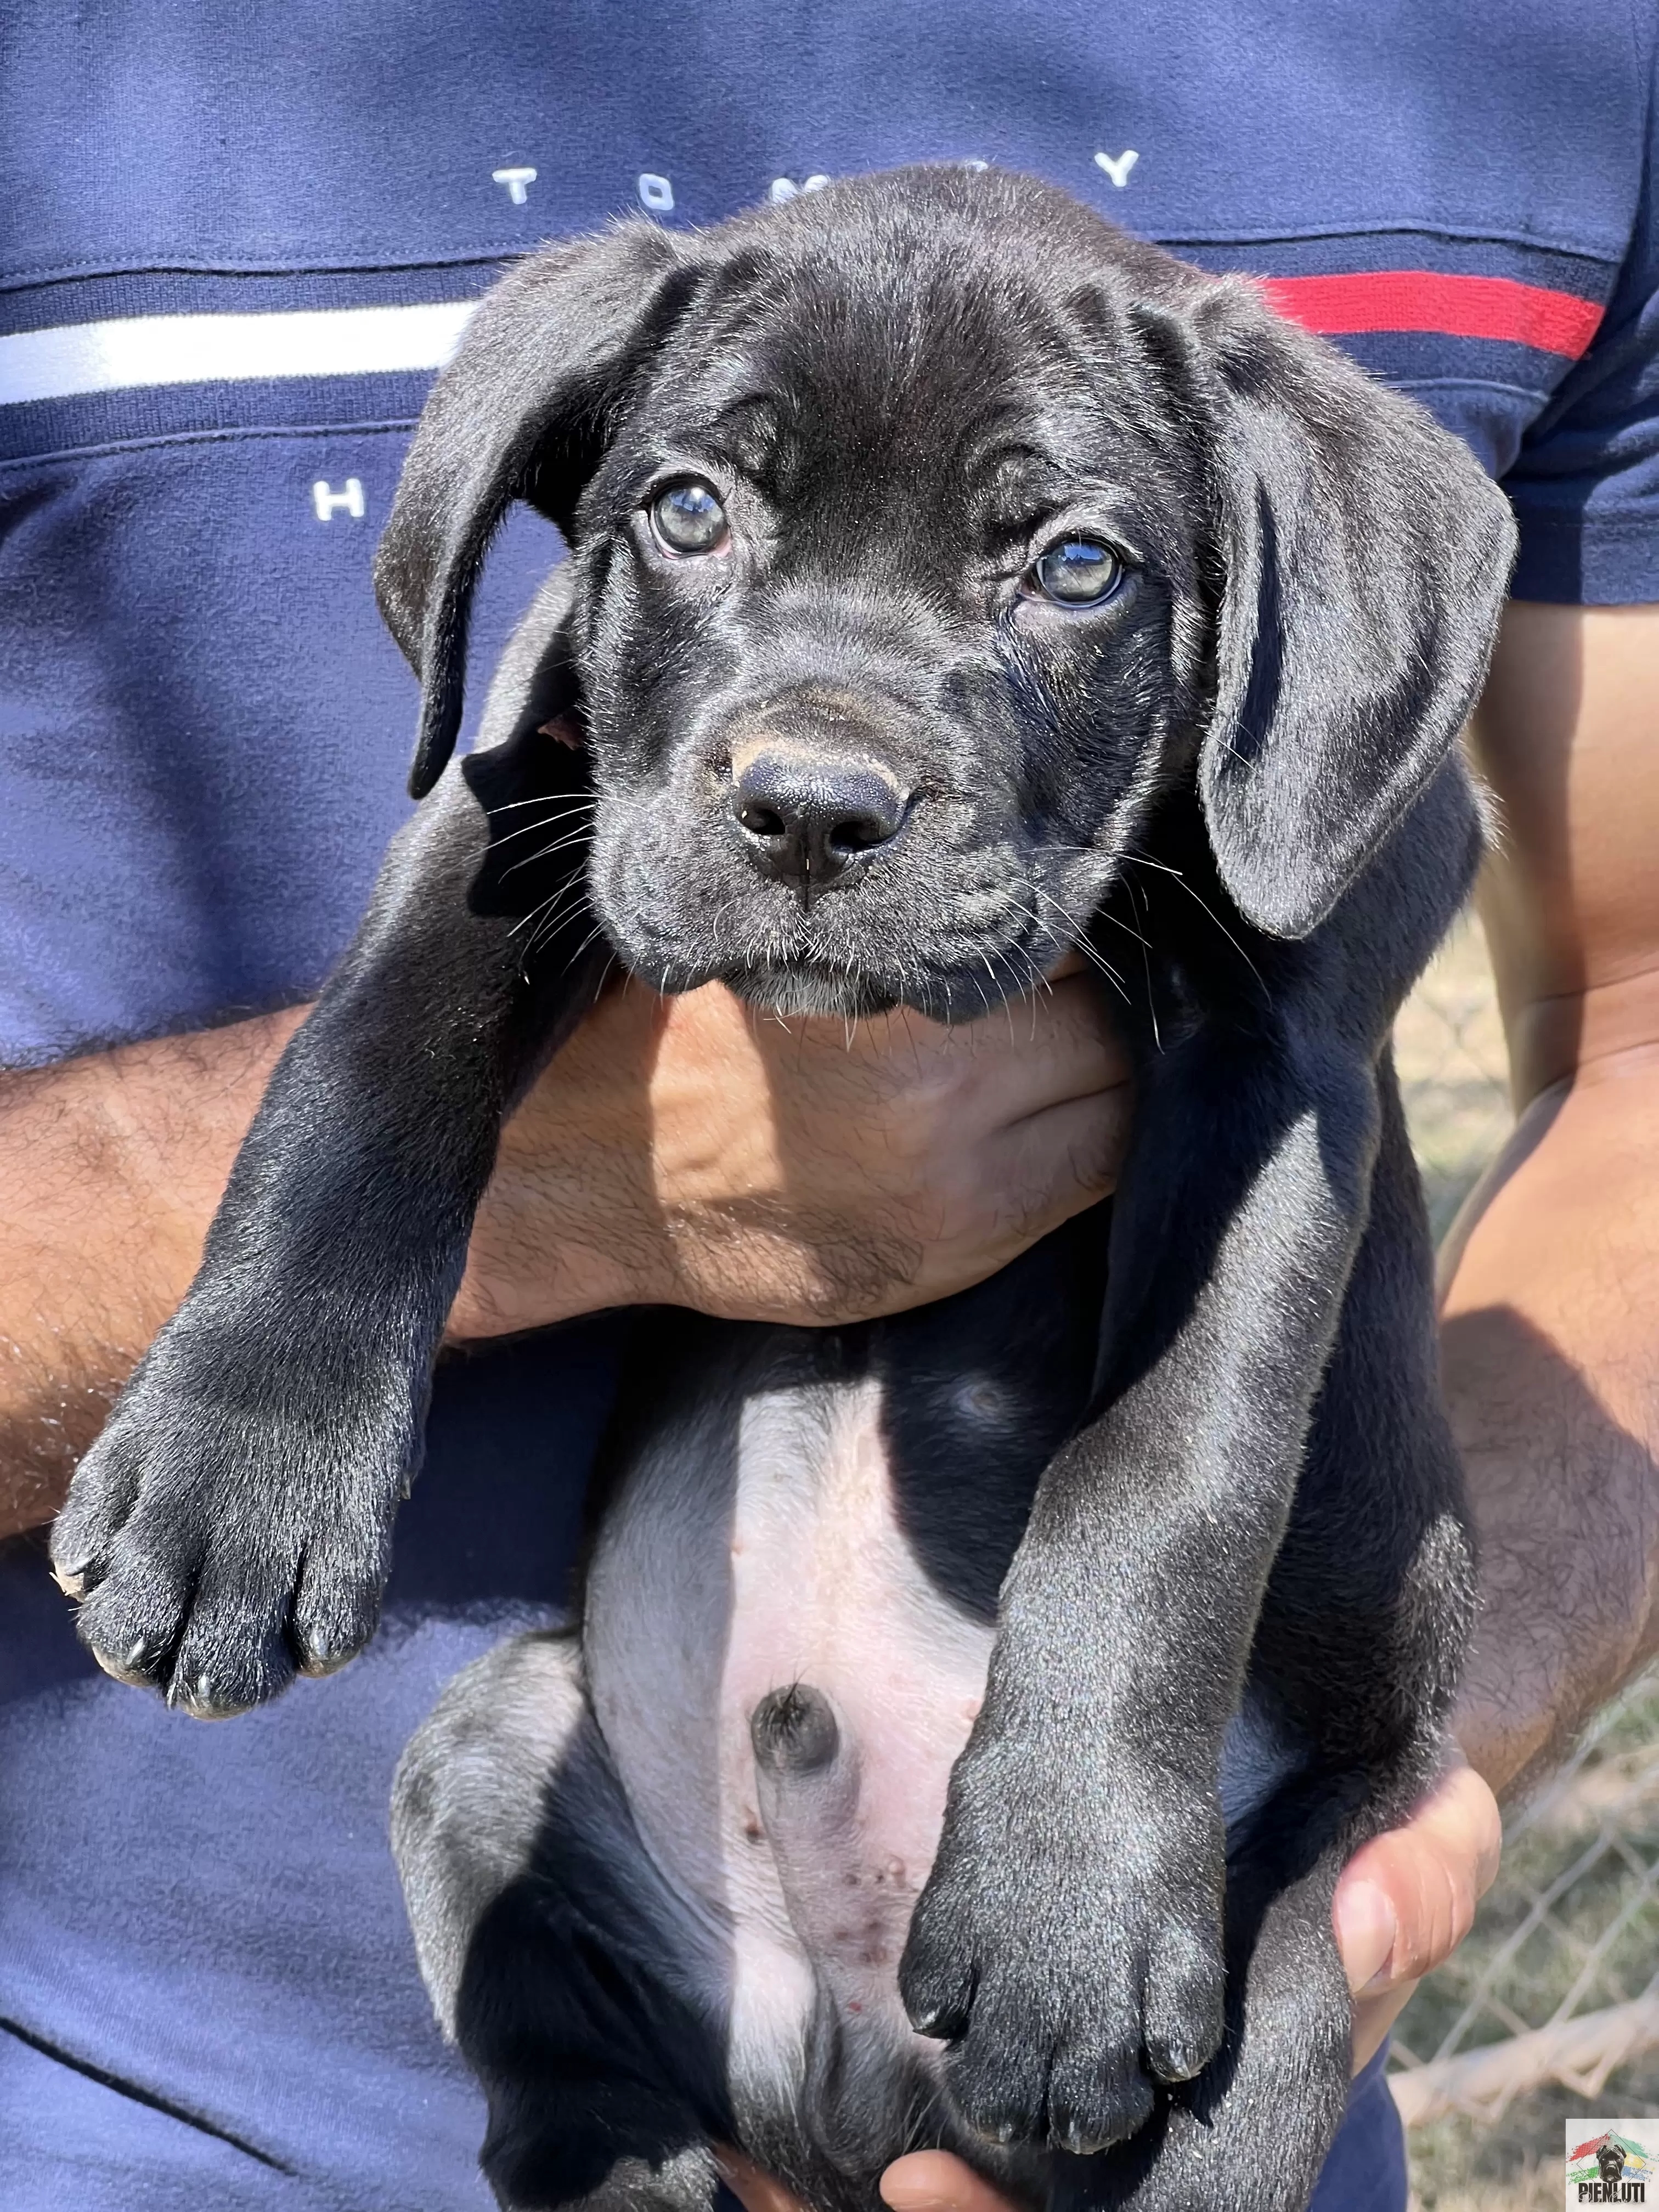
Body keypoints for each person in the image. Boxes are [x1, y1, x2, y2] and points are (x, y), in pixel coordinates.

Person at [1, 5, 1653, 2207]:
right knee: (482, 1792)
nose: (813, 758)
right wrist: (522, 1215)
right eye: (694, 511)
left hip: (1139, 1953)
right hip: (171, 2109)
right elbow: (479, 870)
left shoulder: (1555, 73)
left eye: (1060, 560)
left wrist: (1379, 1799)